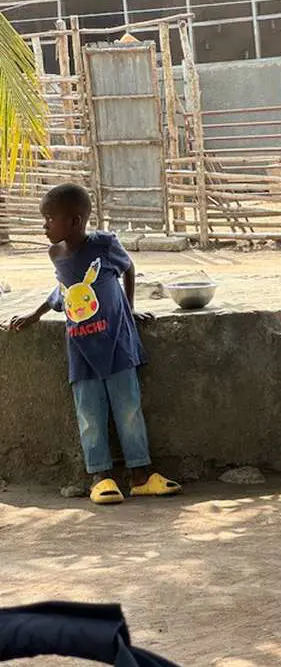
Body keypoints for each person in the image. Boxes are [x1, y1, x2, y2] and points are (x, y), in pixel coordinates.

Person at [9, 183, 181, 505]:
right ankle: (100, 478)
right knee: (89, 415)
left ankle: (141, 476)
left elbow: (128, 268)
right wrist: (36, 313)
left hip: (117, 343)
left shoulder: (104, 245)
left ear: (74, 221)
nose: (44, 226)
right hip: (81, 350)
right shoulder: (56, 254)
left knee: (128, 410)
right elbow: (65, 289)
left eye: (50, 219)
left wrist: (129, 310)